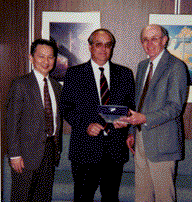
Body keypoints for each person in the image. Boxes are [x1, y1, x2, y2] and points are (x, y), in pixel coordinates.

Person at [60, 28, 135, 201]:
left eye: (108, 45)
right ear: (90, 46)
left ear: (112, 48)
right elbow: (66, 107)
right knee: (82, 198)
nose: (103, 49)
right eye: (98, 44)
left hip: (115, 150)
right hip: (85, 150)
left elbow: (130, 106)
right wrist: (85, 125)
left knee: (110, 198)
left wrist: (126, 121)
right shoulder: (74, 74)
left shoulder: (125, 74)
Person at [119, 24, 189, 201]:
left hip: (163, 142)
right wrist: (132, 131)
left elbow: (175, 107)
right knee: (142, 195)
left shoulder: (176, 67)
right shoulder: (142, 66)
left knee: (164, 196)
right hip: (141, 141)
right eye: (145, 40)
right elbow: (138, 102)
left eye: (154, 39)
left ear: (164, 40)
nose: (149, 43)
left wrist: (144, 119)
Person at [6, 39, 63, 202]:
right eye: (41, 56)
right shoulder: (21, 84)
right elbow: (11, 122)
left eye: (51, 57)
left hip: (50, 152)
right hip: (25, 154)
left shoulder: (56, 86)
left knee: (43, 198)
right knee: (21, 198)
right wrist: (14, 154)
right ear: (31, 58)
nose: (46, 61)